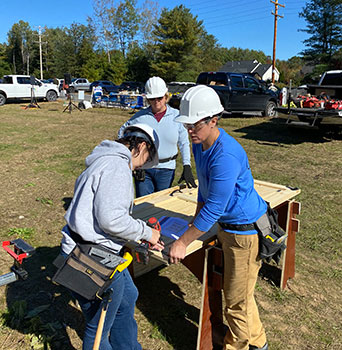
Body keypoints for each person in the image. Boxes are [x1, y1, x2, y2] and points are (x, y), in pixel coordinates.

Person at [169, 85, 269, 350]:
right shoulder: (201, 144)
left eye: (195, 125)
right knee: (241, 297)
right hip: (228, 228)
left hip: (243, 234)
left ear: (214, 120)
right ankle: (259, 343)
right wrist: (194, 220)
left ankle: (237, 345)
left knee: (236, 302)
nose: (190, 131)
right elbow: (205, 187)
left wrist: (182, 242)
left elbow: (214, 207)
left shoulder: (225, 155)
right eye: (187, 125)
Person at [60, 123, 163, 350]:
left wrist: (138, 234)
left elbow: (105, 216)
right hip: (90, 257)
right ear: (142, 145)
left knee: (127, 297)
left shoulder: (106, 158)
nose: (142, 166)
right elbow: (111, 220)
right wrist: (147, 233)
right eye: (146, 158)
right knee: (98, 329)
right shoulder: (117, 166)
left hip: (91, 248)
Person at [118, 76, 196, 198]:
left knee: (161, 205)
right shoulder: (139, 117)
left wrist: (187, 165)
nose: (156, 101)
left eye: (159, 98)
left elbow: (184, 143)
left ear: (166, 96)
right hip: (144, 169)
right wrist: (131, 159)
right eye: (152, 98)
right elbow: (122, 132)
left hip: (167, 169)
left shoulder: (177, 116)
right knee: (143, 205)